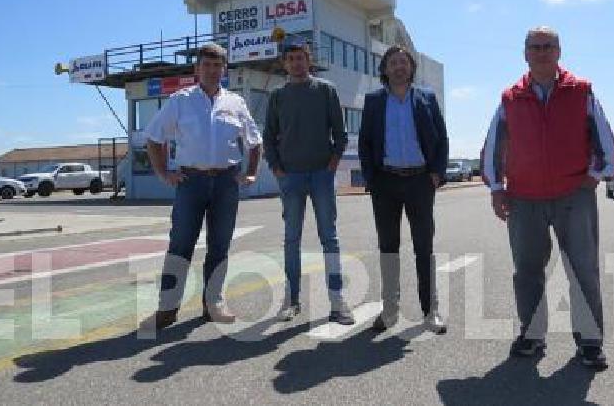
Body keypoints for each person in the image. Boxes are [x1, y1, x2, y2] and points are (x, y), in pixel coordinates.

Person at [481, 26, 614, 370]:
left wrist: (593, 176)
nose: (542, 52)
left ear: (559, 52)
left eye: (548, 46)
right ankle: (532, 335)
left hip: (574, 196)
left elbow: (609, 147)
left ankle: (589, 341)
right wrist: (497, 188)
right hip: (524, 199)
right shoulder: (510, 98)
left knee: (582, 269)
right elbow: (492, 147)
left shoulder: (581, 91)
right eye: (535, 47)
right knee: (527, 271)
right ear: (525, 53)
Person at [139, 43, 262, 332]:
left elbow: (254, 142)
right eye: (206, 65)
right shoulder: (180, 101)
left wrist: (252, 173)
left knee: (220, 245)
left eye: (217, 65)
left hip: (226, 182)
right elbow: (154, 137)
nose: (211, 70)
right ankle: (167, 308)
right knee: (180, 244)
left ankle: (213, 304)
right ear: (197, 69)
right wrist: (162, 172)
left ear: (224, 69)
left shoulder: (236, 103)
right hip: (190, 182)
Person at [263, 35, 354, 325]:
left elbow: (340, 134)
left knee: (330, 238)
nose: (295, 63)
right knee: (292, 239)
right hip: (290, 178)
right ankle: (291, 300)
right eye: (290, 59)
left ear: (308, 59)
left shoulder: (326, 90)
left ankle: (338, 302)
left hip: (321, 177)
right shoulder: (277, 96)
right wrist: (277, 168)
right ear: (284, 64)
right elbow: (268, 137)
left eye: (300, 57)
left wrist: (331, 165)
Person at [358, 45, 449, 334]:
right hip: (385, 182)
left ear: (411, 68)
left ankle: (430, 311)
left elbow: (441, 138)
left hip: (420, 181)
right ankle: (389, 311)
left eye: (404, 62)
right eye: (393, 63)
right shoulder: (373, 101)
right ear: (384, 69)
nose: (399, 67)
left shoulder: (426, 98)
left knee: (424, 247)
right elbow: (365, 143)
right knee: (388, 247)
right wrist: (371, 180)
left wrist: (436, 173)